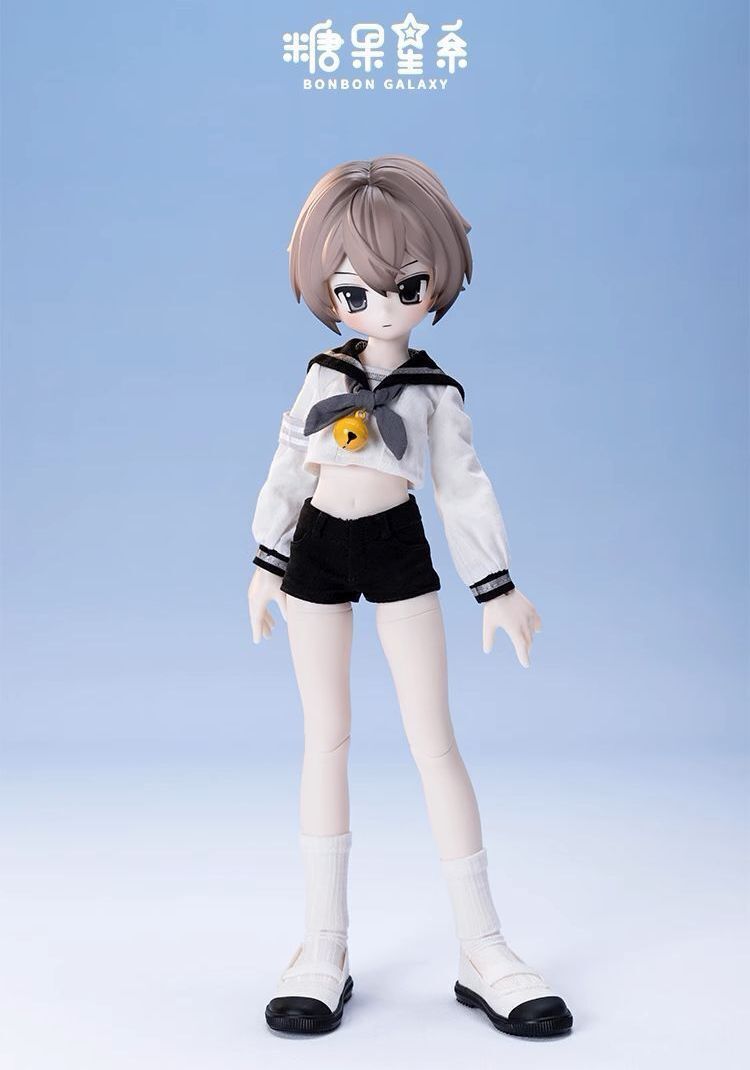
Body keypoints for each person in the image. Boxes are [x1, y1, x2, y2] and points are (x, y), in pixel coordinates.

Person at [248, 155, 573, 1038]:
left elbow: (464, 489)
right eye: (355, 291)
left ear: (434, 285)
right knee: (326, 739)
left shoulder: (434, 393)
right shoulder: (321, 374)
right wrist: (267, 561)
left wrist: (496, 588)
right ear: (329, 292)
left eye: (407, 285)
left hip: (396, 547)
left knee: (435, 742)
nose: (383, 308)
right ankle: (322, 946)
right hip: (317, 550)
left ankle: (484, 947)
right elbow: (290, 461)